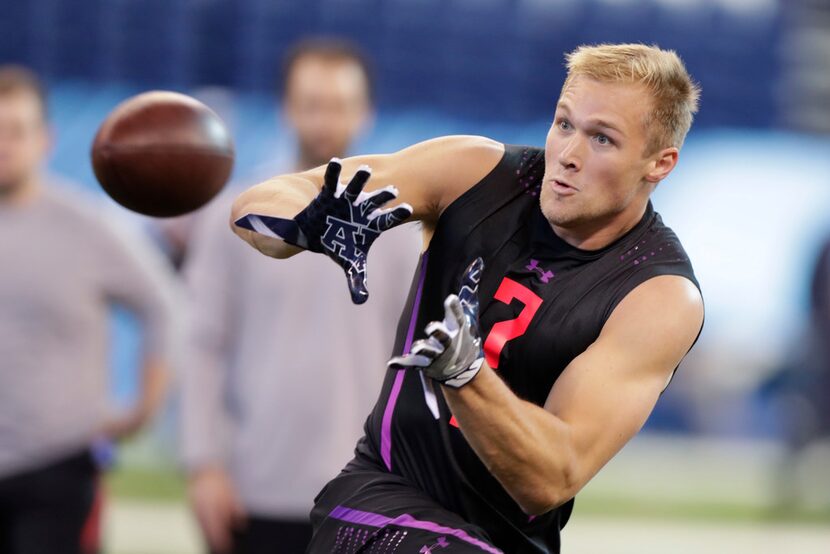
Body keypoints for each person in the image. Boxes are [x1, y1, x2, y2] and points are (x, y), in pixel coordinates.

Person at [231, 43, 706, 553]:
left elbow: (549, 479)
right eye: (564, 124)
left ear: (660, 163)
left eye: (602, 139)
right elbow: (258, 205)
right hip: (377, 500)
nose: (568, 155)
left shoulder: (658, 295)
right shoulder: (475, 172)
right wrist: (308, 225)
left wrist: (466, 376)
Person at [180, 39, 421, 554]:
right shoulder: (238, 213)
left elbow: (419, 359)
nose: (325, 121)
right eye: (312, 104)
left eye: (339, 105)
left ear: (366, 111)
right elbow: (203, 345)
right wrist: (203, 464)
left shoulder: (404, 226)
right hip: (255, 487)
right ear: (288, 108)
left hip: (371, 491)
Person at [0, 66, 176, 554]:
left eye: (17, 130)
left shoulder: (86, 226)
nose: (5, 144)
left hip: (56, 466)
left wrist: (143, 408)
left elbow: (165, 308)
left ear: (45, 140)